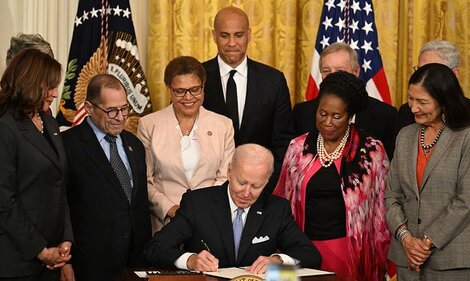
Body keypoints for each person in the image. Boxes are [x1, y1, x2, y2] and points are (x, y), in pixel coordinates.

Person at [275, 71, 390, 281]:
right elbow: (280, 201)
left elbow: (381, 212)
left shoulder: (371, 151)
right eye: (322, 113)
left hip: (347, 252)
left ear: (349, 116)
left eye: (336, 116)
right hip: (298, 250)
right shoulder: (297, 148)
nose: (327, 122)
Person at [144, 144, 321, 274]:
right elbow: (154, 249)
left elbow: (311, 255)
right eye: (241, 182)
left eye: (256, 186)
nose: (246, 192)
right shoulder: (197, 203)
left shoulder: (277, 208)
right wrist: (191, 260)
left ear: (267, 182)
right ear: (229, 171)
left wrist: (277, 261)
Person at [61, 74, 151, 281]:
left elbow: (137, 204)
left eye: (124, 108)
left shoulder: (134, 144)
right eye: (111, 110)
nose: (120, 117)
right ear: (89, 108)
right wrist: (65, 261)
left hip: (134, 262)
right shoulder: (68, 145)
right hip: (90, 263)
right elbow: (59, 206)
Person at [385, 63, 470, 280]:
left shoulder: (465, 137)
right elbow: (392, 195)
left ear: (444, 101)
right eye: (411, 99)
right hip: (407, 260)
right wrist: (405, 238)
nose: (413, 108)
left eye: (422, 102)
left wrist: (425, 243)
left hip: (451, 262)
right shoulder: (405, 135)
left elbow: (466, 200)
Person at [202, 6, 295, 193]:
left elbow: (283, 143)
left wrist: (264, 186)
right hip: (208, 189)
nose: (231, 42)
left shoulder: (273, 80)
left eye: (238, 35)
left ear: (249, 35)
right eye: (224, 35)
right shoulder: (197, 77)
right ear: (213, 36)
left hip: (260, 189)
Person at [137, 56, 235, 232]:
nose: (188, 97)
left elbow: (225, 176)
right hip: (165, 223)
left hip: (211, 221)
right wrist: (171, 209)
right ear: (169, 89)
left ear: (203, 86)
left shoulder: (223, 125)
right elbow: (144, 180)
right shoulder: (148, 124)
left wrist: (203, 210)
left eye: (195, 90)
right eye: (180, 91)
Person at [0, 49, 72, 280]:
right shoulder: (5, 127)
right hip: (17, 261)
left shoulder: (49, 122)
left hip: (52, 258)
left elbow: (60, 185)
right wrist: (40, 251)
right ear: (30, 83)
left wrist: (66, 239)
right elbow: (4, 202)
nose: (54, 93)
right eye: (49, 86)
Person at [293, 42, 397, 159]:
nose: (333, 76)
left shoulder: (385, 116)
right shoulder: (302, 113)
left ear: (356, 71)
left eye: (339, 71)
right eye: (326, 71)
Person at [396, 40, 470, 131]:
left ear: (454, 75)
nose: (424, 76)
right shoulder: (406, 112)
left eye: (433, 72)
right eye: (420, 70)